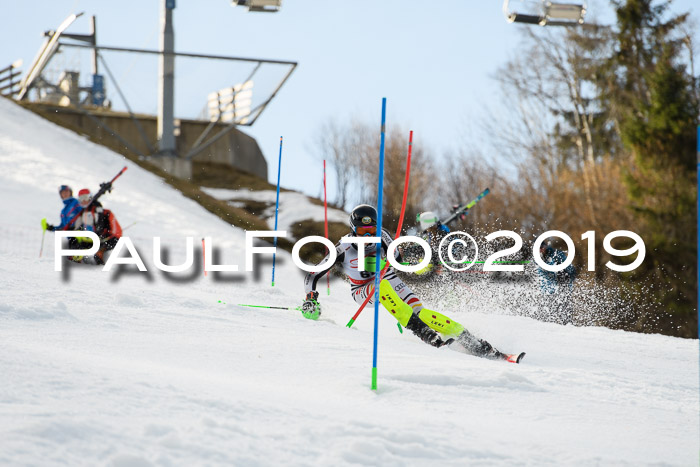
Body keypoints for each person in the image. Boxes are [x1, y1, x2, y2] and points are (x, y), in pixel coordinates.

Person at [300, 204, 524, 363]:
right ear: (353, 229)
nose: (368, 235)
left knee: (422, 312)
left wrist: (389, 258)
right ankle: (424, 334)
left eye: (372, 229)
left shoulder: (383, 235)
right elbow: (313, 276)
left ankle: (475, 343)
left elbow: (397, 256)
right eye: (362, 231)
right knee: (383, 288)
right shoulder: (342, 248)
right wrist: (311, 299)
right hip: (362, 290)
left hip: (387, 278)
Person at [71, 188, 123, 265]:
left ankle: (100, 254)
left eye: (85, 197)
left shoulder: (97, 209)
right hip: (90, 239)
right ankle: (78, 258)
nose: (84, 200)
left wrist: (100, 236)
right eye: (81, 198)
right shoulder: (83, 212)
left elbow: (100, 225)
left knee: (108, 243)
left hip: (104, 238)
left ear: (90, 197)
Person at [537, 241, 577, 325]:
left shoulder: (556, 254)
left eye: (542, 247)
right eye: (538, 248)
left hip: (561, 289)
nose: (540, 250)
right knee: (546, 315)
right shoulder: (535, 258)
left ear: (545, 246)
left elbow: (572, 270)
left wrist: (564, 273)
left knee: (563, 312)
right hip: (545, 292)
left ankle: (567, 327)